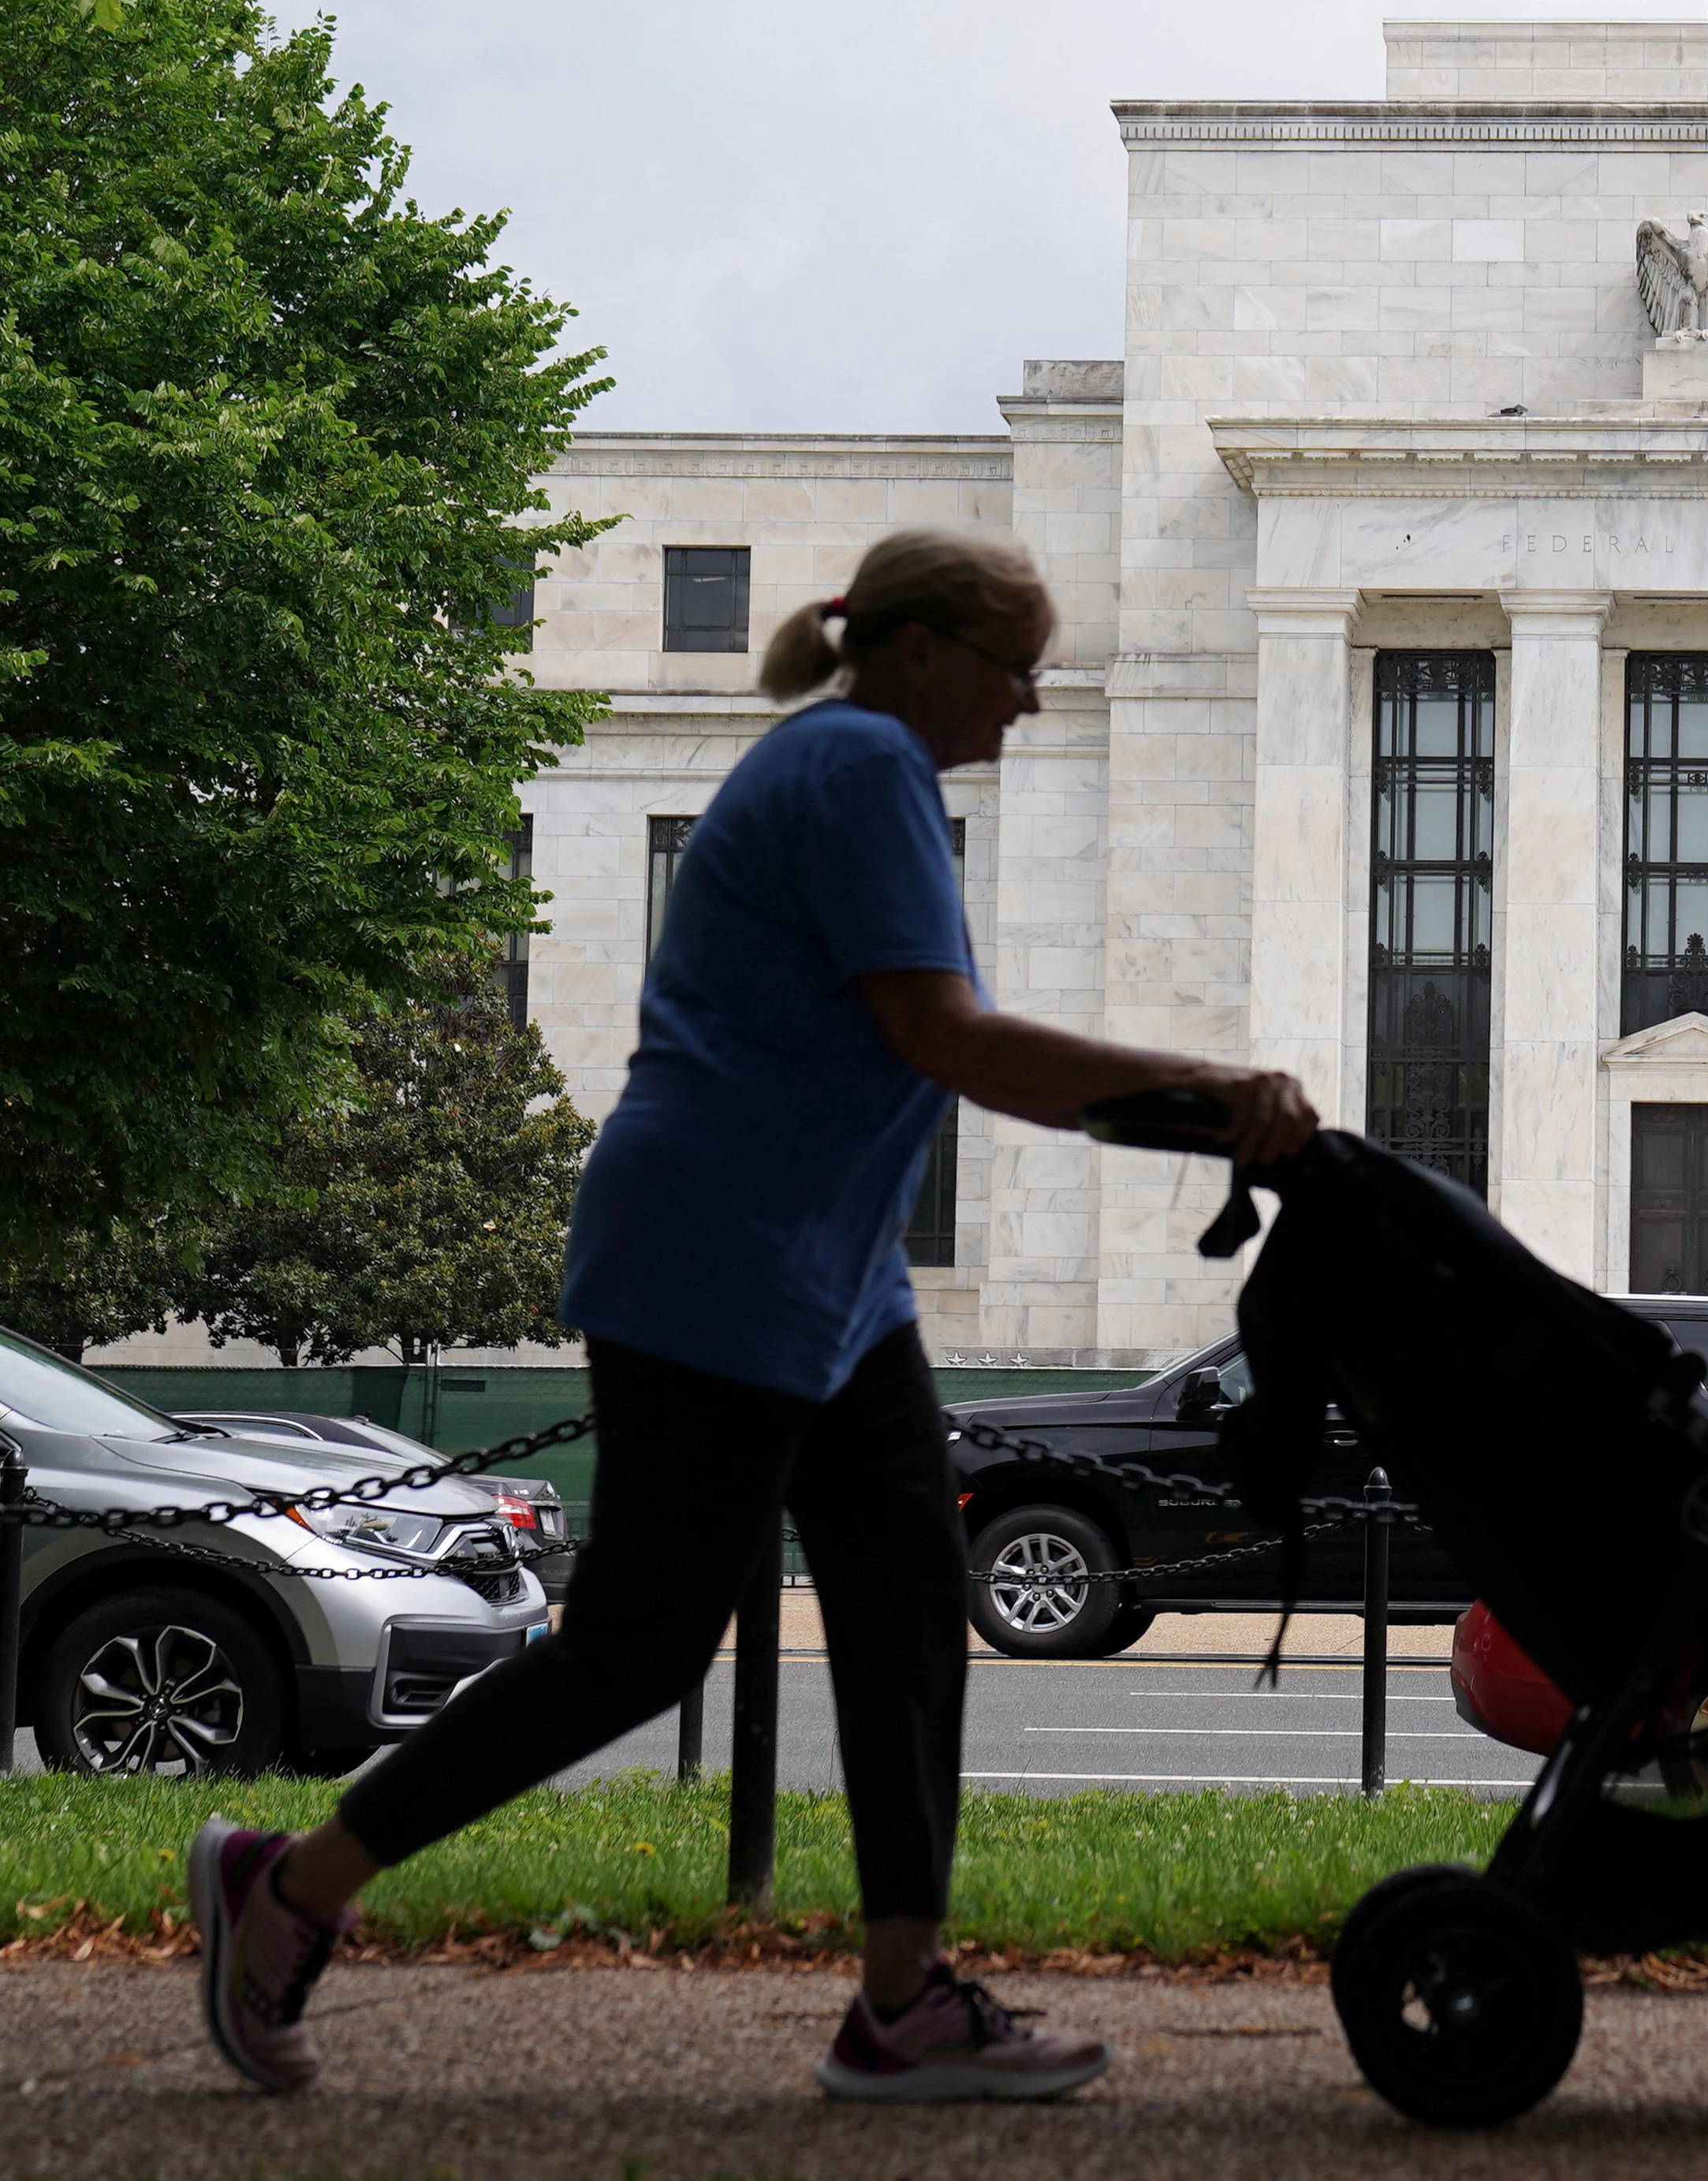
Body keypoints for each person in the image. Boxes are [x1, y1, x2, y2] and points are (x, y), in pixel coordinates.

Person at [183, 526, 1315, 2102]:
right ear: (920, 652)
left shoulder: (862, 771)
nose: (1033, 706)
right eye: (1016, 670)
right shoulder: (856, 767)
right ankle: (290, 1886)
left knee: (915, 1606)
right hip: (717, 1258)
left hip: (829, 1281)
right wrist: (1208, 1092)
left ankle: (905, 2000)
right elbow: (948, 1037)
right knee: (643, 1642)